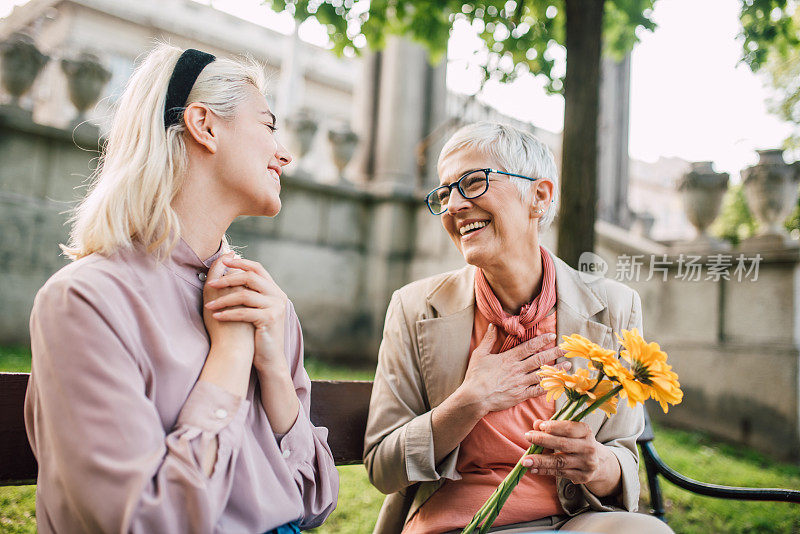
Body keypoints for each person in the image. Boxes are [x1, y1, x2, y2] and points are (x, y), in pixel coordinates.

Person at [24, 44, 338, 533]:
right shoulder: (85, 302)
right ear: (204, 125)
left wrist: (274, 368)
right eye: (268, 125)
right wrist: (231, 359)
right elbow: (149, 523)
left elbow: (315, 502)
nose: (285, 154)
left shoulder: (266, 304)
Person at [363, 122, 673, 533]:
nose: (454, 205)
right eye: (445, 192)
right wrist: (470, 401)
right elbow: (383, 467)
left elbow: (624, 459)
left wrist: (595, 462)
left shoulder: (615, 307)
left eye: (473, 183)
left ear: (539, 197)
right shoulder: (414, 307)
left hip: (572, 521)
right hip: (455, 523)